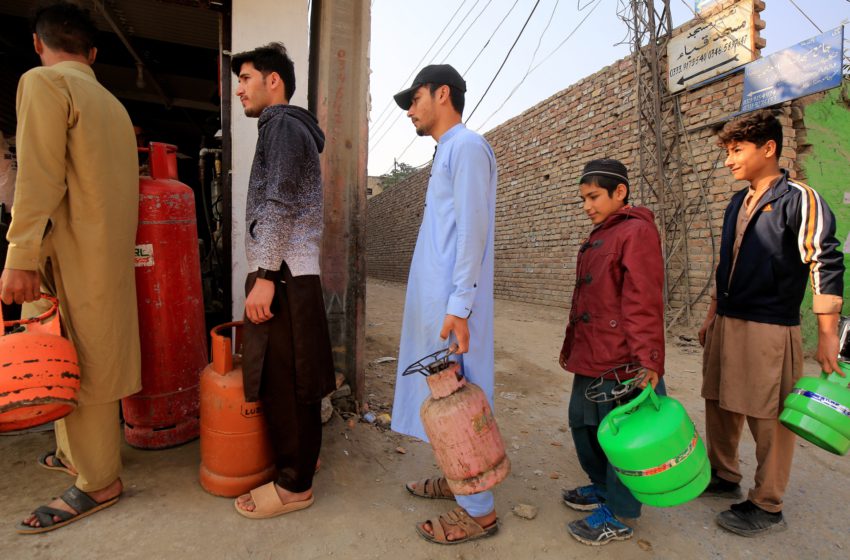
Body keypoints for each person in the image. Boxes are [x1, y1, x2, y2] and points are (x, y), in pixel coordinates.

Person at [1, 2, 141, 534]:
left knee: (71, 359)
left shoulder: (43, 83)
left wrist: (20, 255)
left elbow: (37, 175)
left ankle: (98, 480)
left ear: (38, 45)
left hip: (66, 251)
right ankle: (73, 455)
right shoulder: (112, 104)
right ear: (94, 53)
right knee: (85, 353)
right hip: (104, 252)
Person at [698, 109, 844, 536]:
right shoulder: (735, 202)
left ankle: (767, 504)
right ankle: (724, 476)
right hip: (727, 319)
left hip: (770, 326)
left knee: (770, 417)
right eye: (727, 151)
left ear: (768, 148)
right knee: (720, 401)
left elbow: (825, 260)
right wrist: (712, 314)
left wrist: (828, 335)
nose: (728, 160)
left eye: (736, 150)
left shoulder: (801, 198)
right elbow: (726, 262)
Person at [391, 64, 500, 545]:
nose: (410, 110)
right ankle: (459, 482)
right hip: (438, 302)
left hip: (452, 308)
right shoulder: (447, 152)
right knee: (440, 397)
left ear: (442, 94)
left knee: (457, 398)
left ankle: (478, 511)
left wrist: (458, 306)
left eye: (414, 99)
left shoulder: (468, 147)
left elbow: (472, 233)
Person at [230, 42, 335, 519]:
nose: (239, 89)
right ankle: (298, 466)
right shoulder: (284, 128)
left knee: (289, 382)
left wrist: (266, 275)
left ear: (274, 81)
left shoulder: (284, 125)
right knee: (291, 377)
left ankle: (295, 486)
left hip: (285, 273)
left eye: (246, 78)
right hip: (289, 271)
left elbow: (281, 201)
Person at [558, 159, 665, 546]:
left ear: (620, 192)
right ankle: (602, 487)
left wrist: (648, 360)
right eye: (583, 198)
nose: (587, 205)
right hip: (592, 352)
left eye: (594, 196)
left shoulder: (636, 232)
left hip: (623, 359)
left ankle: (620, 513)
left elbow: (644, 300)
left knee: (623, 437)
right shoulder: (602, 233)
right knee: (584, 425)